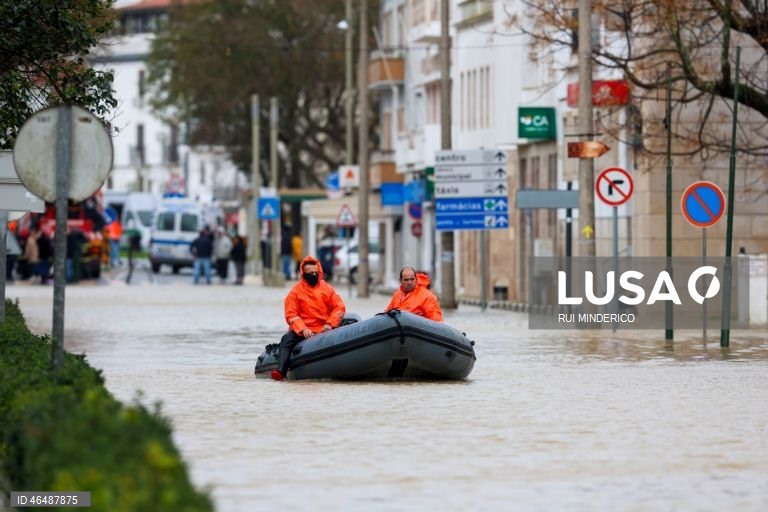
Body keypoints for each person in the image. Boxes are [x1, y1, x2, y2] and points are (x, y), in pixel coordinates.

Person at [271, 255, 346, 380]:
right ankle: (281, 371)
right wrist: (303, 329)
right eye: (311, 273)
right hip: (305, 330)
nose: (314, 275)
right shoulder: (296, 292)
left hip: (325, 328)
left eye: (316, 272)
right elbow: (291, 314)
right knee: (286, 340)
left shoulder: (327, 289)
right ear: (304, 274)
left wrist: (330, 324)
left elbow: (339, 307)